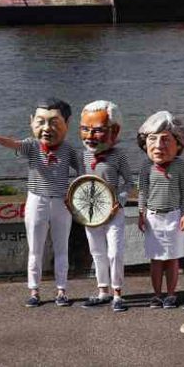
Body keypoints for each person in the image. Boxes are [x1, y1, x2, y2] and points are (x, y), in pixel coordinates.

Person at [0, 98, 83, 308]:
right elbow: (13, 144)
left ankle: (62, 290)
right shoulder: (32, 146)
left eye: (54, 122)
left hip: (62, 202)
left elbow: (83, 173)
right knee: (35, 248)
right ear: (31, 121)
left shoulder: (69, 150)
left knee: (62, 248)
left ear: (67, 123)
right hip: (37, 200)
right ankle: (34, 290)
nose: (47, 128)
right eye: (41, 121)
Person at [78, 100, 134, 313]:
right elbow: (78, 182)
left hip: (114, 211)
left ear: (115, 130)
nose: (90, 136)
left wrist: (119, 201)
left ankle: (118, 292)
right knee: (97, 252)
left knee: (115, 252)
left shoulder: (118, 155)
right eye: (85, 129)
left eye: (98, 130)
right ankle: (103, 290)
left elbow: (129, 182)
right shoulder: (83, 154)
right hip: (90, 213)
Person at [137, 111, 184, 309]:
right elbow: (142, 191)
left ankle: (171, 294)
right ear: (145, 144)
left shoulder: (179, 166)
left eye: (166, 140)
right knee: (156, 259)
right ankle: (157, 294)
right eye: (153, 139)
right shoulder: (146, 167)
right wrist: (141, 213)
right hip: (153, 217)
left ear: (178, 144)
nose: (159, 146)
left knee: (172, 258)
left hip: (174, 216)